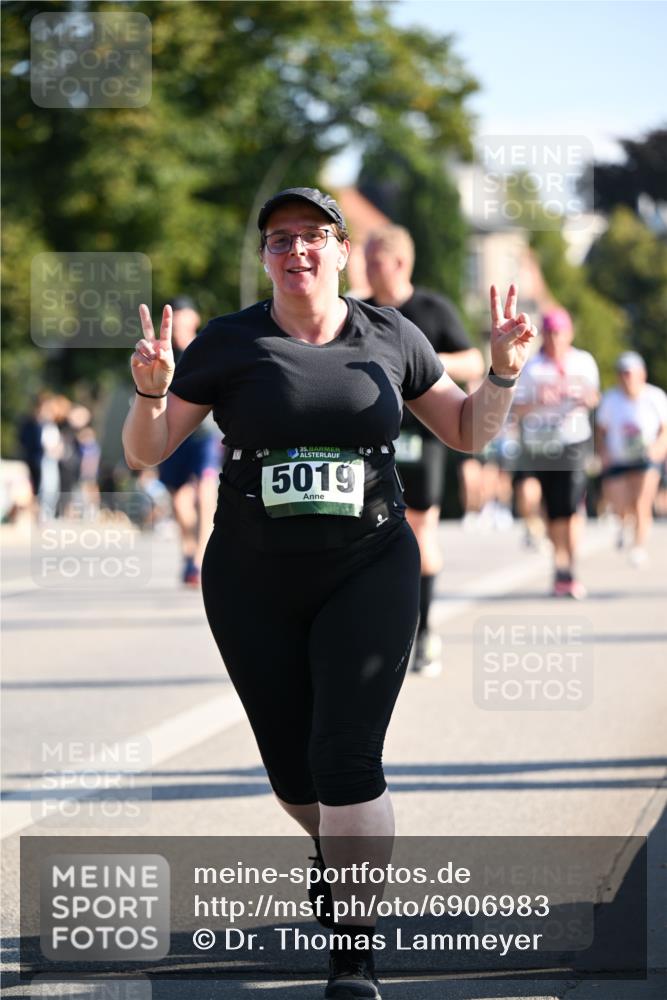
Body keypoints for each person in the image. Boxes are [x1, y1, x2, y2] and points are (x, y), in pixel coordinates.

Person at [122, 186, 536, 999]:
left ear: (343, 251)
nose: (297, 251)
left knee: (345, 760)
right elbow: (147, 451)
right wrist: (150, 392)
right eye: (280, 239)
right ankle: (332, 850)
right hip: (250, 576)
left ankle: (354, 952)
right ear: (266, 257)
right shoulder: (229, 342)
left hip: (370, 565)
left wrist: (499, 375)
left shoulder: (392, 334)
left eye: (314, 236)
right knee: (292, 775)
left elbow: (463, 430)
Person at [364, 226, 484, 677]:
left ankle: (425, 631)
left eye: (373, 260)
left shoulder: (431, 309)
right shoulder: (358, 311)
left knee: (420, 528)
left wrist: (420, 360)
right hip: (373, 439)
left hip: (424, 436)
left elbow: (474, 361)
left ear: (398, 263)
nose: (366, 269)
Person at [512, 307, 600, 598]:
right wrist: (539, 400)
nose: (554, 339)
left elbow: (594, 396)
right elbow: (517, 409)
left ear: (569, 333)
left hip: (573, 442)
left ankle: (568, 569)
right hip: (541, 445)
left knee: (568, 509)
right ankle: (558, 562)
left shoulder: (583, 362)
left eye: (559, 333)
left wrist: (584, 397)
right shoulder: (533, 366)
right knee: (549, 508)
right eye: (549, 333)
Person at [156, 296, 223, 586]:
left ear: (194, 319)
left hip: (206, 433)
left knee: (205, 490)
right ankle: (188, 551)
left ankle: (200, 559)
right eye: (176, 316)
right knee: (180, 500)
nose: (181, 321)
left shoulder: (206, 347)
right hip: (173, 433)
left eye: (185, 315)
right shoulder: (161, 353)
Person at [596, 351, 667, 566]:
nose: (627, 379)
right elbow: (601, 431)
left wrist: (658, 448)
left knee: (641, 501)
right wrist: (604, 453)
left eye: (630, 374)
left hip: (646, 458)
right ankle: (624, 524)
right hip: (619, 458)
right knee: (620, 503)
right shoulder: (610, 399)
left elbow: (665, 429)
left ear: (641, 375)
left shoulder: (655, 396)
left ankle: (638, 546)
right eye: (623, 374)